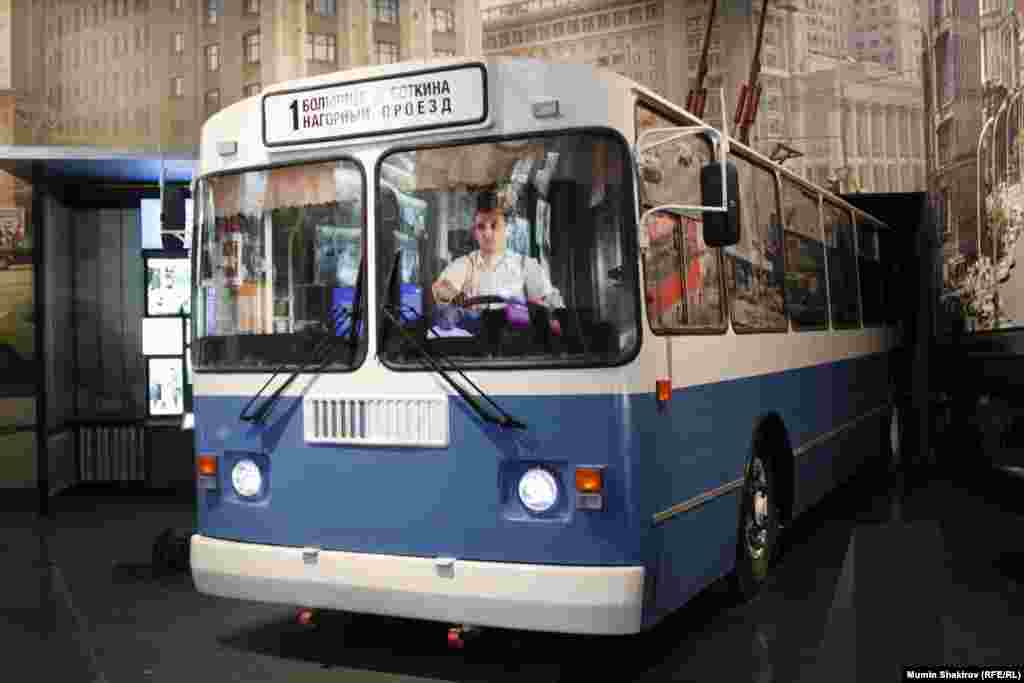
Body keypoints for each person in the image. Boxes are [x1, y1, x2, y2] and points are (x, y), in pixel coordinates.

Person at [432, 190, 563, 334]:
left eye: (494, 225)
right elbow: (442, 287)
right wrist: (451, 294)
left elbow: (551, 306)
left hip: (520, 348)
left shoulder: (526, 266)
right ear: (475, 232)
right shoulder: (465, 264)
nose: (487, 233)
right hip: (475, 348)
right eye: (481, 227)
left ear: (507, 229)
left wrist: (547, 313)